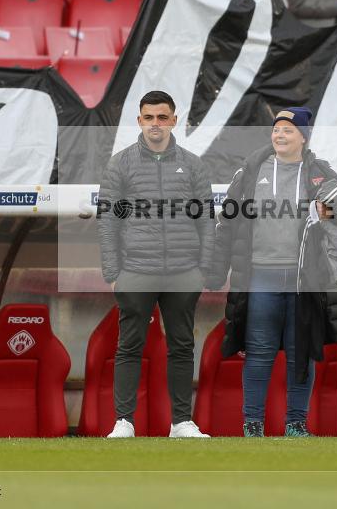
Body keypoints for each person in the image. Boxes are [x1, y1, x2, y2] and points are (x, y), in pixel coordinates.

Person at [208, 107, 337, 437]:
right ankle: (252, 425)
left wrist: (332, 208)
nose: (279, 135)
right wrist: (215, 271)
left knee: (299, 353)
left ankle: (295, 424)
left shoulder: (320, 173)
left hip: (302, 279)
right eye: (276, 129)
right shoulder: (250, 171)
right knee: (259, 352)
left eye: (288, 130)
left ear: (303, 138)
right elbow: (226, 223)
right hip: (260, 276)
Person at [97, 90, 214, 438]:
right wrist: (112, 272)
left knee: (181, 345)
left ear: (174, 120)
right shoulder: (120, 163)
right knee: (129, 345)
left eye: (162, 117)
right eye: (149, 118)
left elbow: (207, 219)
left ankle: (181, 422)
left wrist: (203, 270)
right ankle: (124, 422)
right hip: (136, 269)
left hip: (183, 270)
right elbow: (108, 221)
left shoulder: (193, 164)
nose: (156, 125)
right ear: (139, 121)